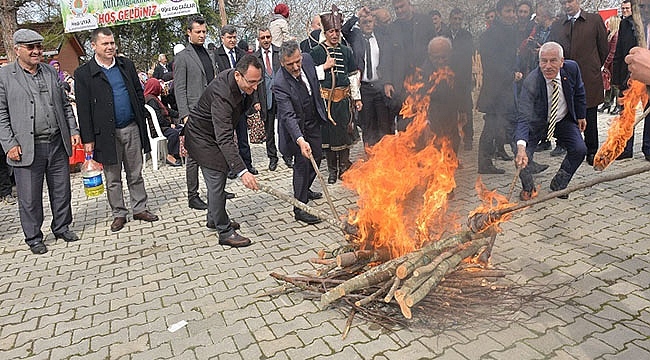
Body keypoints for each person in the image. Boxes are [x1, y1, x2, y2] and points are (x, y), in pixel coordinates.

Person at [0, 29, 81, 254]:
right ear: (17, 49)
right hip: (26, 147)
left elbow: (64, 105)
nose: (37, 51)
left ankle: (62, 226)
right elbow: (1, 114)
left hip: (56, 142)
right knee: (30, 197)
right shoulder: (5, 76)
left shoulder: (48, 71)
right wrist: (9, 144)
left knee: (61, 189)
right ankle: (34, 237)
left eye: (38, 46)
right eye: (31, 47)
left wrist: (73, 129)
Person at [75, 27, 159, 233]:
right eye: (105, 44)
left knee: (135, 172)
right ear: (94, 46)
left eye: (112, 43)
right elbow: (84, 109)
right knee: (113, 177)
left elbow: (139, 94)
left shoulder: (125, 65)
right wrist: (87, 139)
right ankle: (119, 213)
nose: (110, 47)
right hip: (105, 134)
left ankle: (139, 208)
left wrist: (141, 117)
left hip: (131, 127)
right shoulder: (84, 73)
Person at [183, 54, 261, 247]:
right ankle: (224, 231)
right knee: (217, 179)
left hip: (212, 134)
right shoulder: (222, 94)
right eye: (251, 82)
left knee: (220, 176)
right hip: (201, 137)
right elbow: (224, 138)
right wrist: (243, 171)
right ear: (237, 75)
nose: (255, 87)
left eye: (258, 82)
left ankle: (214, 218)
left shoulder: (241, 83)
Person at [514, 42, 587, 200]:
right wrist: (521, 148)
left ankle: (559, 184)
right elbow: (523, 118)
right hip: (537, 124)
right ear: (539, 62)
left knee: (579, 149)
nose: (547, 66)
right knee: (521, 154)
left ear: (562, 61)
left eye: (553, 60)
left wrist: (581, 115)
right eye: (543, 61)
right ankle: (528, 188)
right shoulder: (531, 82)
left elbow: (579, 91)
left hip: (562, 120)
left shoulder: (572, 69)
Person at [273, 40, 328, 224]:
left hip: (312, 120)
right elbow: (288, 116)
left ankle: (305, 189)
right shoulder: (279, 83)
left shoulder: (308, 59)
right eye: (290, 64)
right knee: (302, 165)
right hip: (296, 128)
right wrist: (300, 139)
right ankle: (300, 206)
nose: (296, 67)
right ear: (282, 63)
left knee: (318, 156)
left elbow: (314, 82)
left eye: (298, 61)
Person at [549, 0, 608, 165]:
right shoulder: (558, 25)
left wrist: (595, 65)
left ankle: (591, 150)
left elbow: (604, 48)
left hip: (588, 76)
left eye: (570, 1)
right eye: (563, 2)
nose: (567, 5)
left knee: (589, 114)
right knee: (566, 113)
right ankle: (570, 147)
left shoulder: (594, 20)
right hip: (566, 76)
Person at [310, 5, 362, 184]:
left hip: (344, 100)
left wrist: (357, 98)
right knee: (330, 138)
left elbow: (353, 75)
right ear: (325, 32)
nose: (334, 34)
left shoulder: (346, 51)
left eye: (337, 31)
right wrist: (323, 67)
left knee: (345, 134)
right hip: (327, 102)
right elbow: (308, 75)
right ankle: (332, 171)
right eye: (331, 31)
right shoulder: (317, 52)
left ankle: (343, 169)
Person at [174, 17, 217, 210]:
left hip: (212, 111)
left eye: (204, 31)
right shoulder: (183, 57)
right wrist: (185, 115)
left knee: (215, 150)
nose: (202, 35)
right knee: (193, 156)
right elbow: (179, 88)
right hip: (193, 113)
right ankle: (193, 195)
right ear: (189, 33)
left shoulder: (210, 54)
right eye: (198, 32)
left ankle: (216, 190)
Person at [477, 0, 520, 174]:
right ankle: (524, 159)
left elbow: (510, 57)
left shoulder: (509, 31)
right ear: (499, 12)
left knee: (496, 126)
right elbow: (493, 63)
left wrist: (516, 69)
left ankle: (485, 163)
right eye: (508, 11)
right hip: (495, 90)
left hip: (504, 89)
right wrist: (511, 75)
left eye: (513, 11)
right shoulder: (489, 35)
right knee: (499, 125)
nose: (511, 15)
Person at [342, 7, 392, 148]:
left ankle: (386, 153)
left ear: (374, 22)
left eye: (370, 21)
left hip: (380, 85)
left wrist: (375, 13)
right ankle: (370, 153)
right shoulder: (356, 37)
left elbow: (388, 25)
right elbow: (344, 30)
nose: (368, 24)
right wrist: (357, 16)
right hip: (364, 87)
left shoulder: (381, 36)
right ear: (360, 24)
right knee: (368, 123)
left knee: (384, 122)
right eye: (364, 22)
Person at [215, 24, 258, 177]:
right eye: (229, 37)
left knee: (242, 135)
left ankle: (247, 164)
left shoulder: (241, 53)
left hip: (241, 99)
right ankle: (232, 167)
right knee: (228, 137)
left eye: (234, 37)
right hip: (226, 100)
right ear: (222, 38)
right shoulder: (217, 55)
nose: (232, 40)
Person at [614, 0, 650, 160]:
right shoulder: (626, 24)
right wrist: (617, 78)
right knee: (627, 111)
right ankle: (624, 147)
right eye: (640, 6)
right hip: (629, 76)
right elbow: (619, 52)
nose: (643, 10)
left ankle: (648, 147)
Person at [253, 28, 290, 170]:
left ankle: (287, 155)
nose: (266, 40)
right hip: (265, 98)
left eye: (268, 37)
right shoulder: (255, 57)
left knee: (285, 127)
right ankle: (272, 157)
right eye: (263, 38)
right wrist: (255, 100)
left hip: (281, 97)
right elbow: (254, 82)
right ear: (259, 40)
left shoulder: (279, 52)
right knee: (269, 131)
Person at [443, 8, 474, 151]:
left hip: (463, 78)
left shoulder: (466, 36)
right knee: (449, 110)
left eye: (459, 19)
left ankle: (468, 138)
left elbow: (468, 57)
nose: (457, 22)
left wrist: (467, 79)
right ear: (450, 19)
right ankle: (451, 137)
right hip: (447, 79)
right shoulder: (443, 35)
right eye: (455, 19)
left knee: (466, 110)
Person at [143, 78, 182, 166]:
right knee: (174, 133)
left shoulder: (153, 97)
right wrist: (169, 124)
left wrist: (180, 114)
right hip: (157, 128)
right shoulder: (151, 100)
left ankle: (178, 153)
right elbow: (158, 118)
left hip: (161, 125)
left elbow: (166, 109)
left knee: (181, 128)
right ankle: (170, 155)